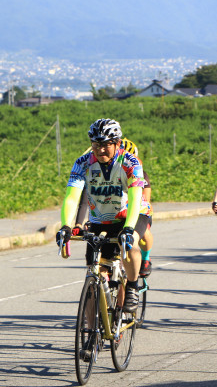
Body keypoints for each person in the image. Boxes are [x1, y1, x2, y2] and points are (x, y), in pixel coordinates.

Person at [56, 118, 150, 313]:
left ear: (117, 143)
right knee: (94, 275)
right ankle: (90, 335)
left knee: (130, 244)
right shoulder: (83, 163)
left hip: (131, 215)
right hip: (101, 220)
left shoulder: (130, 162)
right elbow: (72, 197)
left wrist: (129, 229)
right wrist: (66, 225)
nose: (100, 150)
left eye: (106, 145)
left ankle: (132, 287)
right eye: (96, 144)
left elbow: (134, 199)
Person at [121, 139, 155, 277]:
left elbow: (145, 200)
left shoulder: (141, 174)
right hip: (119, 213)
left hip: (139, 209)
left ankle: (146, 258)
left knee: (144, 234)